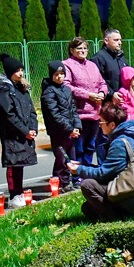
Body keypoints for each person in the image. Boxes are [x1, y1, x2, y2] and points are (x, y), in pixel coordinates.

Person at [70, 103, 134, 221]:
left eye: (101, 123)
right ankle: (132, 211)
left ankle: (116, 218)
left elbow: (104, 174)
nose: (100, 126)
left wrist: (79, 170)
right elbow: (111, 168)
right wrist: (84, 166)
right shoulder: (131, 135)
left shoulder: (119, 143)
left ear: (112, 125)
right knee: (87, 208)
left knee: (87, 185)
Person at [0, 55, 38, 208]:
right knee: (13, 164)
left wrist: (33, 128)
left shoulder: (22, 88)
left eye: (21, 70)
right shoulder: (4, 90)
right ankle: (14, 195)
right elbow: (8, 114)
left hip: (24, 132)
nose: (20, 73)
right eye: (17, 71)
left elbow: (32, 110)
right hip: (12, 134)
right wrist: (24, 130)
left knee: (21, 163)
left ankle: (20, 193)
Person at [62, 37, 108, 165]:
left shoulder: (92, 65)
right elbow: (67, 87)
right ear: (72, 50)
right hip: (78, 114)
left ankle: (86, 172)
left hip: (95, 113)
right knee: (78, 148)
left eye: (85, 48)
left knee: (90, 146)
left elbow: (102, 83)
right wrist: (88, 95)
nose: (83, 51)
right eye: (79, 48)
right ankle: (76, 175)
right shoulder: (67, 65)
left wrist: (101, 93)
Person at [41, 61, 81, 192]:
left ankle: (70, 180)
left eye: (62, 74)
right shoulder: (48, 92)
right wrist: (69, 129)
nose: (59, 77)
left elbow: (73, 110)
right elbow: (55, 115)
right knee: (62, 158)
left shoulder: (67, 89)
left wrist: (76, 126)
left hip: (70, 131)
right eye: (56, 74)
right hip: (58, 132)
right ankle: (60, 183)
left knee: (71, 158)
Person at [91, 28, 128, 98]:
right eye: (116, 40)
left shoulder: (120, 56)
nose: (120, 43)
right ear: (106, 41)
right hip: (108, 102)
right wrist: (111, 93)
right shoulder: (98, 58)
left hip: (123, 98)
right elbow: (98, 81)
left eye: (120, 40)